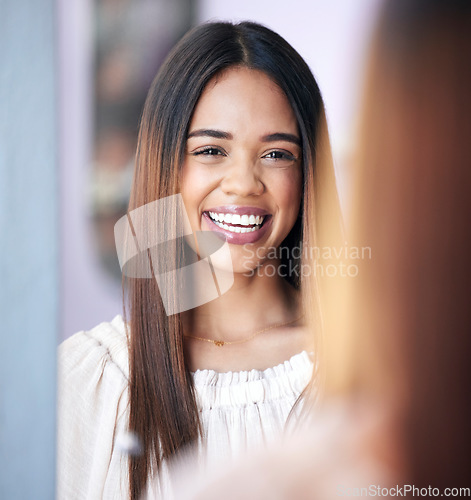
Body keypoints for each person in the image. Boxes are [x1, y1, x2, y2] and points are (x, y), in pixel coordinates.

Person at [57, 21, 342, 499]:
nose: (244, 183)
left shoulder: (362, 363)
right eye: (211, 150)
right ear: (166, 165)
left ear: (308, 171)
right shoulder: (90, 381)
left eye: (276, 153)